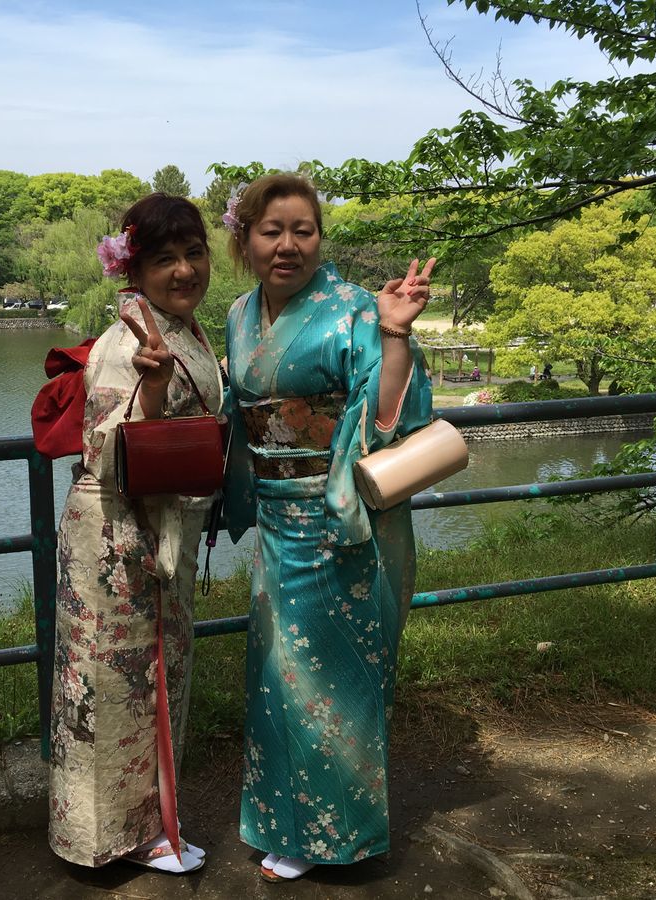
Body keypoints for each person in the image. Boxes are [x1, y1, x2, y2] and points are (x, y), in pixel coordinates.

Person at [220, 174, 434, 882]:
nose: (288, 245)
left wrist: (395, 333)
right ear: (245, 240)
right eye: (271, 231)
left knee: (334, 679)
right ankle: (287, 826)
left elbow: (393, 416)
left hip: (342, 521)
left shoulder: (356, 309)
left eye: (303, 231)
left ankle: (336, 837)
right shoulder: (239, 315)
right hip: (276, 519)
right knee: (277, 678)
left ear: (319, 238)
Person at [47, 194, 223, 875]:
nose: (184, 270)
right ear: (135, 268)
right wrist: (150, 393)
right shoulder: (131, 343)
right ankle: (116, 838)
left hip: (154, 526)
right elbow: (106, 451)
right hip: (119, 534)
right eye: (164, 259)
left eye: (194, 253)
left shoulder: (179, 328)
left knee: (148, 680)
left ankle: (145, 827)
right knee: (115, 682)